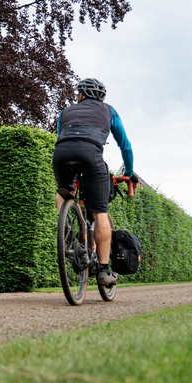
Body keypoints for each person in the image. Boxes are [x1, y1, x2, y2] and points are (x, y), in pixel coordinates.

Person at [53, 78, 139, 286]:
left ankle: (70, 234)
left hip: (61, 154)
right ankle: (103, 270)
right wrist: (129, 172)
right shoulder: (109, 111)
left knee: (64, 192)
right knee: (100, 212)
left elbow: (59, 135)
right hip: (91, 154)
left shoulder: (65, 112)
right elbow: (125, 145)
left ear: (80, 95)